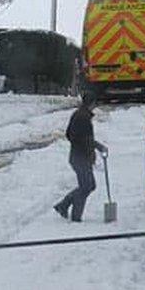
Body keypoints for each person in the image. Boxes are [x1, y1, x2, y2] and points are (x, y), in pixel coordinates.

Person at [54, 93, 106, 222]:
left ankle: (64, 205)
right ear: (91, 103)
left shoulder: (80, 115)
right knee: (86, 186)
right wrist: (97, 147)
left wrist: (91, 147)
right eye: (95, 103)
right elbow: (85, 140)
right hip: (80, 157)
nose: (96, 106)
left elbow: (69, 134)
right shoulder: (83, 117)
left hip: (79, 156)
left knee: (89, 185)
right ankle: (75, 216)